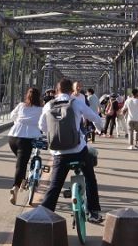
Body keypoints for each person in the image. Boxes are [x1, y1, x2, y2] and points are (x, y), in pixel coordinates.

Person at [37, 78, 105, 224]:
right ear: (70, 91)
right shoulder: (76, 103)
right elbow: (94, 117)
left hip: (59, 154)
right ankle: (93, 212)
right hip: (78, 150)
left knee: (55, 186)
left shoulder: (49, 105)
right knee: (90, 178)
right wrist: (99, 129)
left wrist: (54, 133)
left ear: (57, 90)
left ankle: (44, 217)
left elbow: (42, 126)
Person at [7, 87, 44, 204]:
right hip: (27, 139)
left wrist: (19, 122)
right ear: (39, 97)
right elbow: (44, 124)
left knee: (21, 162)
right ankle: (16, 187)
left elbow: (11, 116)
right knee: (21, 164)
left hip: (13, 137)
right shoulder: (41, 109)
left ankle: (22, 181)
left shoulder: (21, 105)